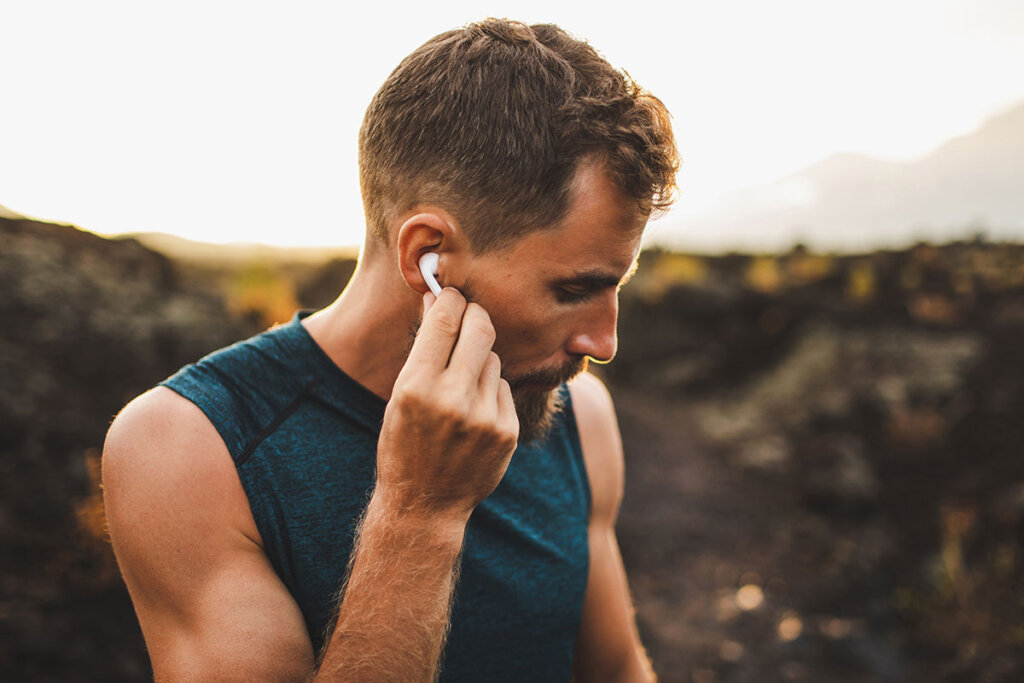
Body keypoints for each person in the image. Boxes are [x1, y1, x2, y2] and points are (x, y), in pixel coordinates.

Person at [102, 17, 678, 682]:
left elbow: (616, 671)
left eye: (616, 287)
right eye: (575, 288)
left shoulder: (582, 416)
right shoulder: (188, 450)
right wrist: (419, 511)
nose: (603, 344)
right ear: (427, 253)